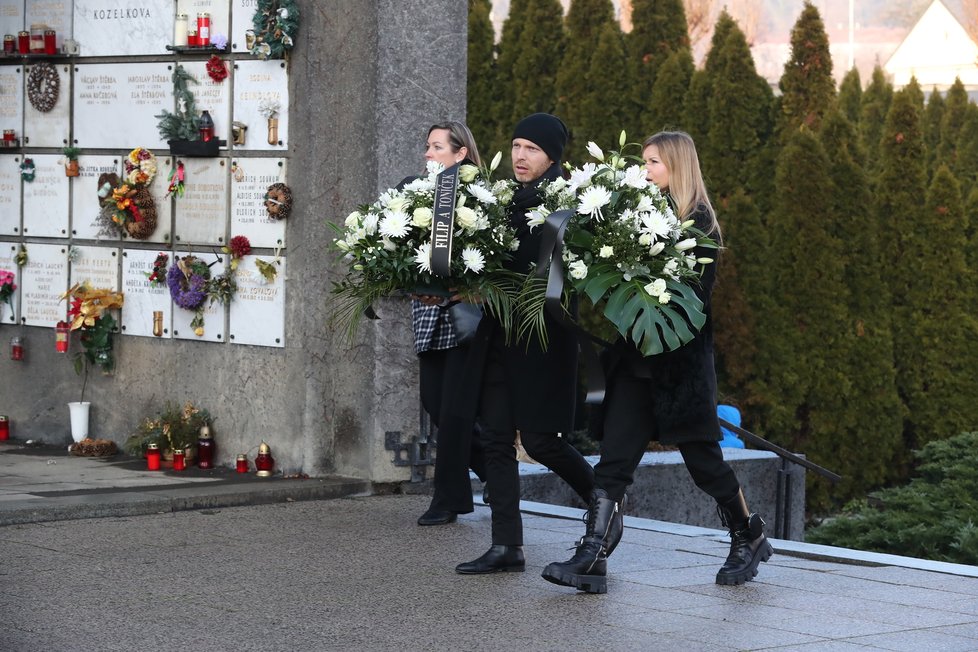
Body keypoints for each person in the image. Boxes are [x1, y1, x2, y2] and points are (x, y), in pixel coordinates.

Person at [541, 131, 774, 593]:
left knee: (705, 465)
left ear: (677, 166)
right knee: (614, 460)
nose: (644, 171)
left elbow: (695, 301)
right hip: (634, 362)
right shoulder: (634, 217)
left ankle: (748, 535)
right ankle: (593, 553)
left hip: (680, 368)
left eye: (653, 163)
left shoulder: (701, 226)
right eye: (643, 162)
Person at [454, 113, 599, 575]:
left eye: (531, 148)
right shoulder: (500, 200)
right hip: (500, 334)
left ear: (552, 156)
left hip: (542, 338)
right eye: (516, 145)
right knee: (495, 438)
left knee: (540, 441)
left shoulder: (567, 205)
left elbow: (553, 277)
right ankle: (507, 546)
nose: (520, 156)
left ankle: (605, 501)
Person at [411, 122, 488, 526]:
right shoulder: (413, 195)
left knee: (456, 412)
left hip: (464, 318)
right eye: (427, 146)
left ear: (460, 154)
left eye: (436, 147)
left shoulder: (481, 198)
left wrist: (475, 287)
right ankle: (493, 469)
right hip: (429, 315)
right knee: (435, 403)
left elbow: (493, 256)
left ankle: (448, 499)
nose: (428, 154)